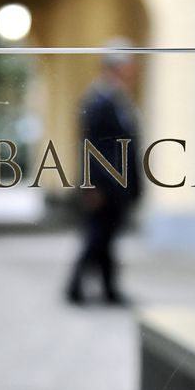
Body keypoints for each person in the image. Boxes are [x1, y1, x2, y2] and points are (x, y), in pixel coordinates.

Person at [66, 38, 142, 306]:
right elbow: (89, 147)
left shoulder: (119, 100)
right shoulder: (98, 100)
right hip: (103, 185)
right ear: (116, 67)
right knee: (97, 237)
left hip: (117, 185)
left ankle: (108, 289)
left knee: (106, 238)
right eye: (129, 65)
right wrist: (91, 186)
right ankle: (75, 287)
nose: (133, 70)